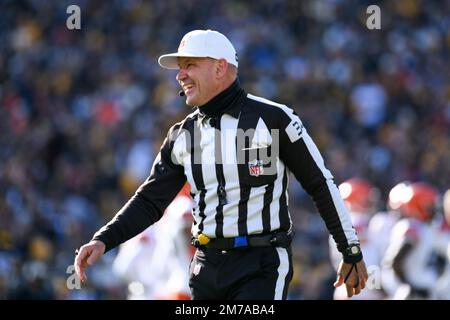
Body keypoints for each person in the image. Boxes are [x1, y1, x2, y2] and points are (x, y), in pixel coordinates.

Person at [74, 29, 368, 300]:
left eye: (190, 65)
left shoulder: (275, 119)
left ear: (220, 67)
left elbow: (320, 183)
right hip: (204, 265)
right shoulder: (182, 135)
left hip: (260, 263)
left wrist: (350, 249)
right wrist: (104, 239)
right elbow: (150, 200)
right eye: (180, 67)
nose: (180, 75)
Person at [329, 177, 382, 299]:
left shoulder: (347, 221)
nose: (371, 204)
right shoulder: (354, 220)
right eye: (367, 199)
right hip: (359, 291)